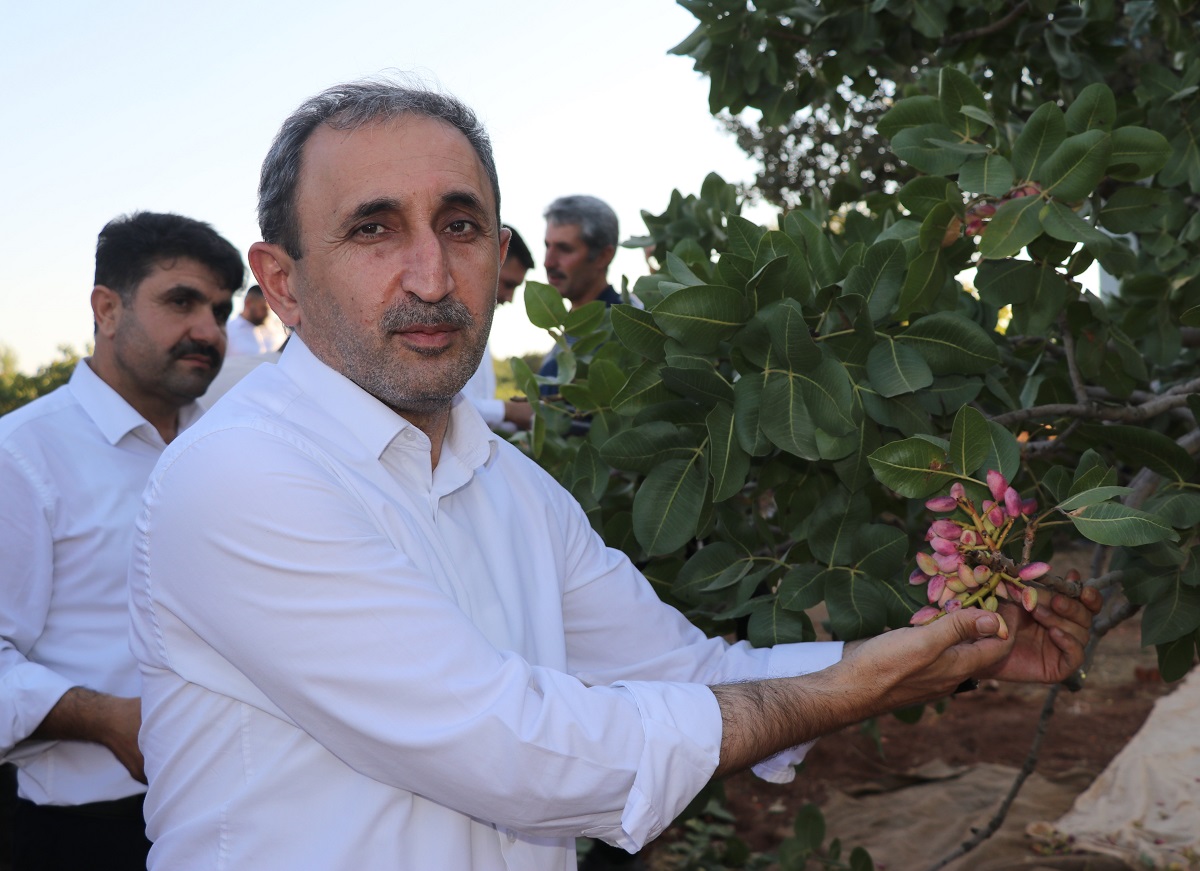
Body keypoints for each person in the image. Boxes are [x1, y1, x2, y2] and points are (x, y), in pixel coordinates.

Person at [127, 80, 1099, 871]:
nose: (431, 277)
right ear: (285, 282)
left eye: (461, 226)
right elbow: (516, 752)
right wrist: (843, 693)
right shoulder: (239, 475)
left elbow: (687, 674)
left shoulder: (511, 486)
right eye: (374, 230)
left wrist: (942, 649)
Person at [0, 211, 243, 870]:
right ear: (107, 309)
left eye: (219, 310)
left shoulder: (230, 449)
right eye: (182, 301)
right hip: (81, 830)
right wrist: (105, 717)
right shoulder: (23, 457)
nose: (208, 330)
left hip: (236, 813)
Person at [461, 223, 534, 431]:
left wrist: (518, 419)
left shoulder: (479, 328)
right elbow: (436, 408)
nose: (510, 298)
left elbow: (475, 425)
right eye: (509, 284)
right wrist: (507, 410)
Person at [224, 285, 276, 355]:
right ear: (248, 303)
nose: (267, 314)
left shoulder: (271, 334)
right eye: (264, 308)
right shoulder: (228, 330)